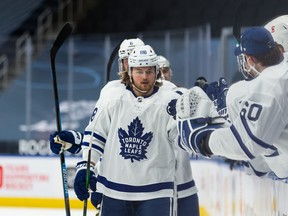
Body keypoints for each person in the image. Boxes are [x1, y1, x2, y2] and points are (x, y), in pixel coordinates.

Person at [51, 44, 199, 215]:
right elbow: (98, 135)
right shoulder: (113, 96)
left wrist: (196, 133)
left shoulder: (170, 98)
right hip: (114, 191)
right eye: (139, 71)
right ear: (129, 72)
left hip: (156, 191)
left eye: (149, 71)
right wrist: (86, 166)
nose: (144, 77)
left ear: (156, 72)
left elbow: (180, 138)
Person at [176, 27, 288, 174]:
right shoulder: (281, 66)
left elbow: (247, 146)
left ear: (250, 59)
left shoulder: (269, 87)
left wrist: (204, 141)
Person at [157, 55, 199, 216]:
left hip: (184, 184)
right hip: (157, 188)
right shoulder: (146, 101)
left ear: (171, 72)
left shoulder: (185, 95)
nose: (162, 75)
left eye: (165, 70)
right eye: (159, 71)